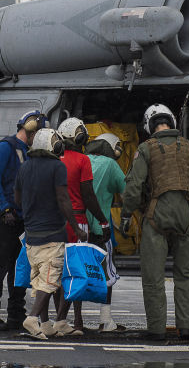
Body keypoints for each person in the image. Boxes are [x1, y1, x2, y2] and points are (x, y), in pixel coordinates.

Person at [121, 104, 189, 341]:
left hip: (156, 216)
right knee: (185, 275)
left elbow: (133, 187)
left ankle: (157, 330)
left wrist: (126, 213)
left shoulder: (145, 148)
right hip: (185, 216)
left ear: (149, 126)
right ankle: (185, 328)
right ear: (172, 122)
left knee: (153, 277)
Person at [14, 128, 89, 339]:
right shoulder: (57, 166)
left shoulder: (25, 167)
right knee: (50, 280)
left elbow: (18, 199)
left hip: (31, 235)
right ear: (51, 145)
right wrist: (76, 228)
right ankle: (32, 318)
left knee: (38, 281)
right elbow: (64, 199)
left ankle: (46, 324)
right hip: (53, 235)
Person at [0, 110, 46, 331]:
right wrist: (5, 208)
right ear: (29, 128)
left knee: (19, 268)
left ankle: (16, 314)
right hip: (3, 218)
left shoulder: (29, 153)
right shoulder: (4, 148)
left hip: (21, 218)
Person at [57, 117, 110, 334]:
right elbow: (88, 195)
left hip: (56, 221)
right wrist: (103, 221)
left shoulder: (55, 160)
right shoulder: (82, 160)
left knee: (58, 271)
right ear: (81, 137)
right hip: (78, 220)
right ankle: (73, 320)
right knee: (77, 271)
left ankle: (58, 319)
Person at [84, 133, 126, 332]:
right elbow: (127, 194)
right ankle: (105, 319)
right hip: (101, 228)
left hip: (79, 226)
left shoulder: (83, 160)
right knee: (107, 272)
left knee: (74, 270)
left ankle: (70, 320)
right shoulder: (111, 165)